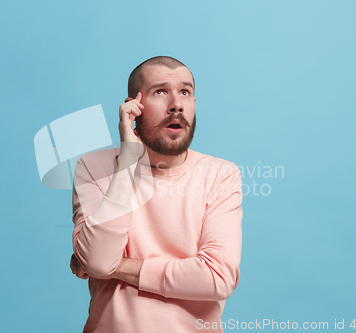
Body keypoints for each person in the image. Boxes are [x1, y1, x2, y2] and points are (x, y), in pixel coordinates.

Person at [70, 56, 243, 332]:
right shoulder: (94, 167)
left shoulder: (220, 174)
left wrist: (116, 267)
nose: (176, 104)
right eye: (160, 91)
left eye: (185, 92)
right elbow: (100, 260)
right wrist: (127, 162)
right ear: (133, 108)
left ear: (194, 105)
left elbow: (217, 278)